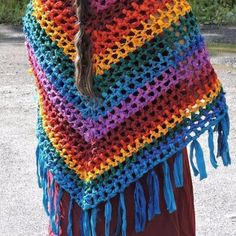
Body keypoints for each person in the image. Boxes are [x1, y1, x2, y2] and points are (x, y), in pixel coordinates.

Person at [23, 0, 231, 235]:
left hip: (75, 200)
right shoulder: (158, 5)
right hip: (148, 178)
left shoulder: (43, 8)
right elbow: (188, 80)